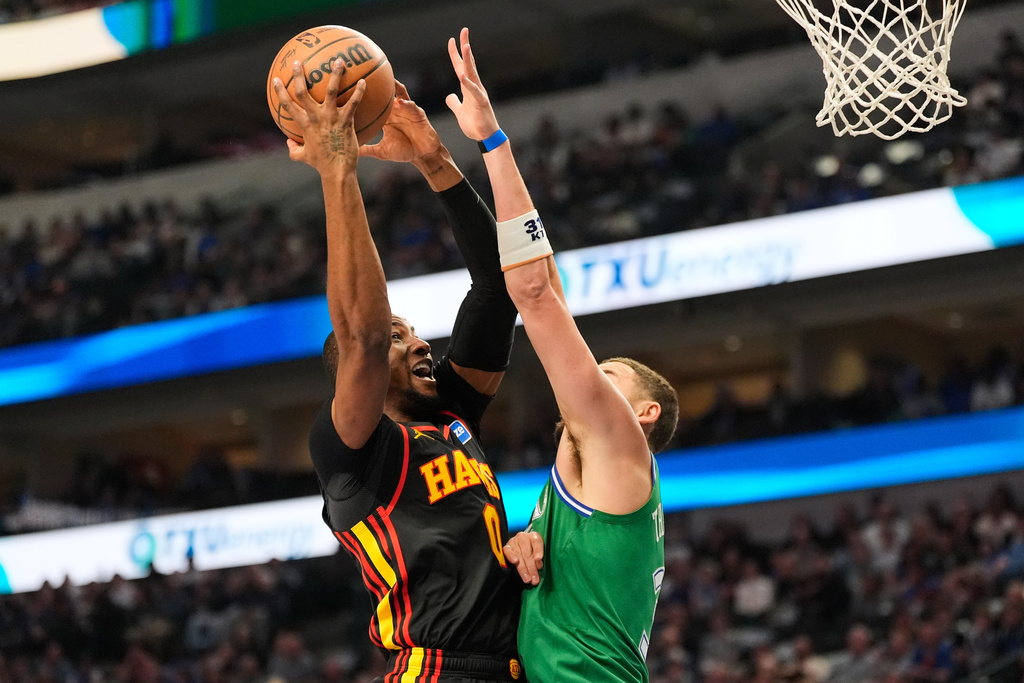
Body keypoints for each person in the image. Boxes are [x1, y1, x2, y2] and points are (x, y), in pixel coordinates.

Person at [271, 62, 527, 682]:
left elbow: (500, 288)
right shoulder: (354, 452)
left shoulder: (449, 415)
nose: (418, 344)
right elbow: (359, 335)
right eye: (399, 337)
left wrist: (436, 161)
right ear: (352, 383)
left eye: (413, 333)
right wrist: (339, 172)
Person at [444, 28, 680, 683]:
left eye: (607, 378)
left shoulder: (615, 439)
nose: (591, 382)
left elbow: (534, 294)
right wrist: (525, 544)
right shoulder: (592, 462)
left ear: (644, 412)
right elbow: (547, 285)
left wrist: (493, 144)